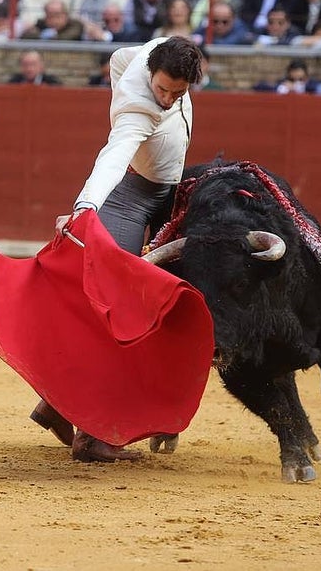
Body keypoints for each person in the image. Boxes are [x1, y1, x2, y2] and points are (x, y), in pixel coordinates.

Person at [37, 35, 204, 463]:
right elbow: (113, 157)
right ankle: (92, 437)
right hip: (130, 196)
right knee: (117, 310)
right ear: (151, 73)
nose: (166, 100)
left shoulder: (155, 51)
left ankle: (55, 406)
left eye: (177, 93)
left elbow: (117, 57)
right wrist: (85, 209)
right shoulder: (137, 108)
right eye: (162, 89)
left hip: (170, 196)